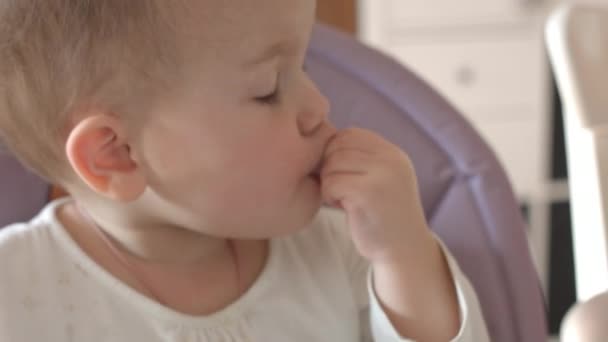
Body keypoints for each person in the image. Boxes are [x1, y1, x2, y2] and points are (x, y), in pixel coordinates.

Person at [0, 0, 489, 341]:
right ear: (117, 153)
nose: (319, 105)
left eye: (305, 67)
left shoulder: (347, 251)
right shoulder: (17, 291)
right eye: (269, 88)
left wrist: (403, 253)